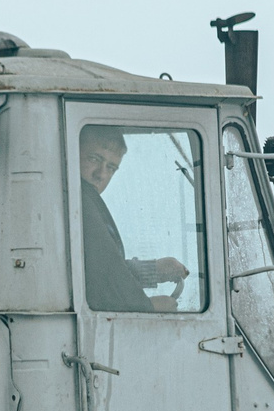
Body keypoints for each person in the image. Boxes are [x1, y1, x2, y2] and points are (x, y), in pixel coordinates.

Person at [77, 127, 190, 313]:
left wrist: (152, 270)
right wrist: (148, 307)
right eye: (94, 159)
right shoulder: (80, 201)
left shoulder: (84, 199)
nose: (101, 174)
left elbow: (99, 269)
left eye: (111, 168)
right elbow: (102, 289)